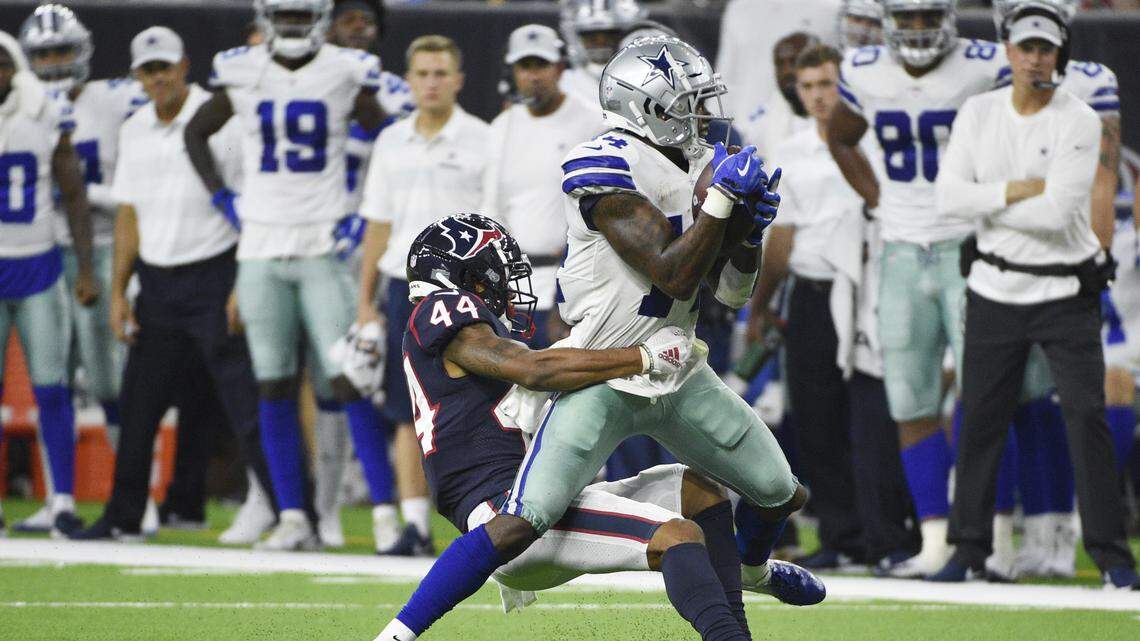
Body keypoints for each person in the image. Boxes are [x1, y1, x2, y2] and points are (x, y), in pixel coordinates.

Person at [375, 36, 825, 641]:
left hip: (675, 368)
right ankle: (396, 635)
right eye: (686, 102)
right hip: (591, 401)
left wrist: (746, 230)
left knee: (771, 492)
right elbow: (664, 275)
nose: (700, 115)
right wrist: (719, 207)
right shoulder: (597, 165)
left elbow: (732, 294)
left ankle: (749, 575)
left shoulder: (694, 165)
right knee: (537, 522)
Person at [375, 214, 792, 641]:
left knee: (699, 491)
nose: (501, 285)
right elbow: (532, 369)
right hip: (510, 513)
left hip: (535, 497)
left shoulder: (453, 335)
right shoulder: (440, 309)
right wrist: (642, 357)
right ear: (463, 276)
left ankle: (736, 629)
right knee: (677, 535)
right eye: (492, 272)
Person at [929, 2, 1139, 590]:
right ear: (1008, 50)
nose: (1034, 59)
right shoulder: (979, 111)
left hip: (1067, 288)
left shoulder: (1079, 119)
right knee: (980, 421)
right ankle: (967, 550)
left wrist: (988, 197)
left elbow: (1058, 213)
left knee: (1085, 414)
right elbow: (947, 198)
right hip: (993, 287)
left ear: (1060, 55)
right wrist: (1019, 188)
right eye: (1025, 47)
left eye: (1045, 48)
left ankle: (1111, 555)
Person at [182, 0, 395, 552]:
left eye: (303, 13)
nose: (295, 23)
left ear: (320, 17)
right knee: (272, 384)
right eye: (286, 13)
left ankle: (388, 517)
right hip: (260, 245)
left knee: (348, 381)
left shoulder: (347, 69)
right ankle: (294, 516)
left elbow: (392, 138)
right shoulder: (241, 68)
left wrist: (362, 207)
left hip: (322, 240)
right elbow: (195, 133)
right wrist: (224, 200)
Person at [68, 26, 274, 542]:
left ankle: (282, 507)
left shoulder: (219, 117)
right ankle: (124, 516)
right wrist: (119, 289)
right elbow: (128, 215)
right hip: (157, 282)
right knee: (138, 405)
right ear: (137, 76)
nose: (157, 78)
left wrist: (240, 282)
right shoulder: (135, 126)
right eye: (147, 70)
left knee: (243, 404)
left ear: (184, 66)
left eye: (164, 67)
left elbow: (251, 204)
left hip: (214, 270)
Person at [826, 0, 1008, 578]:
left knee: (985, 397)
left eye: (928, 16)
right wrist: (878, 199)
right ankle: (934, 541)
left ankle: (992, 540)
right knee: (910, 400)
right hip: (901, 248)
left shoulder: (985, 65)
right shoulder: (865, 69)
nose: (918, 29)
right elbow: (842, 136)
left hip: (968, 244)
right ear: (888, 22)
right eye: (907, 18)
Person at [985, 0, 1126, 580]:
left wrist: (1095, 252)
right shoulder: (993, 79)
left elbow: (1103, 171)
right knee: (1013, 399)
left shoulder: (1091, 83)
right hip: (1008, 257)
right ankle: (1026, 530)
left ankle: (1064, 531)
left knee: (1073, 400)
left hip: (1068, 256)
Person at [356, 34, 488, 555]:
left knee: (478, 407)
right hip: (400, 289)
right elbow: (378, 225)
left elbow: (493, 225)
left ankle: (486, 518)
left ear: (458, 80)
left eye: (440, 73)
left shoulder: (483, 138)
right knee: (406, 409)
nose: (431, 83)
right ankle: (412, 525)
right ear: (407, 81)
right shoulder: (391, 140)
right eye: (422, 73)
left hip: (460, 294)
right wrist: (363, 300)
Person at [749, 44, 865, 570]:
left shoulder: (871, 138)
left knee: (871, 418)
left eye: (827, 83)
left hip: (869, 291)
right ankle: (842, 534)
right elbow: (783, 240)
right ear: (796, 90)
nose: (819, 95)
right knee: (816, 421)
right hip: (813, 292)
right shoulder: (792, 151)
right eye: (810, 86)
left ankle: (888, 530)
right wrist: (760, 305)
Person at [304, 0, 414, 551]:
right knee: (318, 379)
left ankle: (383, 509)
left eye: (366, 19)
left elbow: (392, 137)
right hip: (310, 242)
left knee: (363, 380)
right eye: (347, 16)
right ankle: (308, 506)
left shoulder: (390, 88)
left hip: (371, 248)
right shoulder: (302, 80)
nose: (357, 26)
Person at [0, 28, 97, 538]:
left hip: (38, 263)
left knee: (52, 386)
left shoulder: (44, 112)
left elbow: (74, 193)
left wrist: (84, 267)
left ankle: (61, 500)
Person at [480, 24, 602, 349]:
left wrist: (570, 292)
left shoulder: (592, 123)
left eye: (541, 65)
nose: (533, 76)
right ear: (514, 71)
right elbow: (492, 208)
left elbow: (596, 216)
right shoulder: (502, 127)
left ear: (560, 67)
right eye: (525, 66)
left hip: (571, 287)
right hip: (513, 287)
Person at [716, 0, 841, 121]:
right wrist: (717, 125)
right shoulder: (739, 8)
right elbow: (726, 78)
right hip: (746, 126)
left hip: (808, 126)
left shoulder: (831, 9)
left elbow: (841, 76)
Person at [737, 32, 816, 157]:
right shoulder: (763, 120)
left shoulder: (840, 111)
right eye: (780, 64)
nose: (787, 71)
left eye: (794, 61)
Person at [557, 0, 646, 110]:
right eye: (592, 37)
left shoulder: (643, 79)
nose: (600, 43)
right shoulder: (563, 83)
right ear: (578, 38)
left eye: (609, 35)